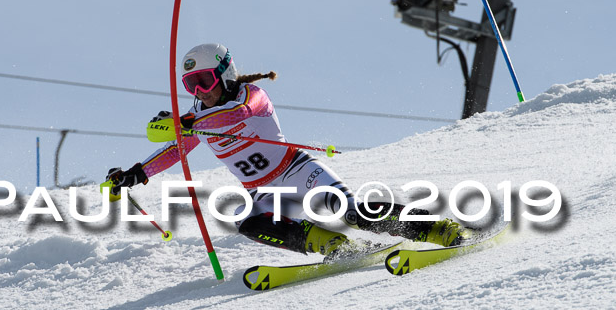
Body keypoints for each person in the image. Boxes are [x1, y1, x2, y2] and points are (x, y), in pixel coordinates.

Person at [106, 43, 467, 258]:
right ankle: (334, 248)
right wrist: (135, 174)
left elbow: (234, 115)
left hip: (298, 172)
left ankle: (436, 230)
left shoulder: (251, 97)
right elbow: (177, 149)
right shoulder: (197, 115)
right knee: (247, 222)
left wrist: (186, 121)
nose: (200, 92)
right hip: (261, 191)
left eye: (204, 81)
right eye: (191, 85)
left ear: (225, 73)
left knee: (354, 212)